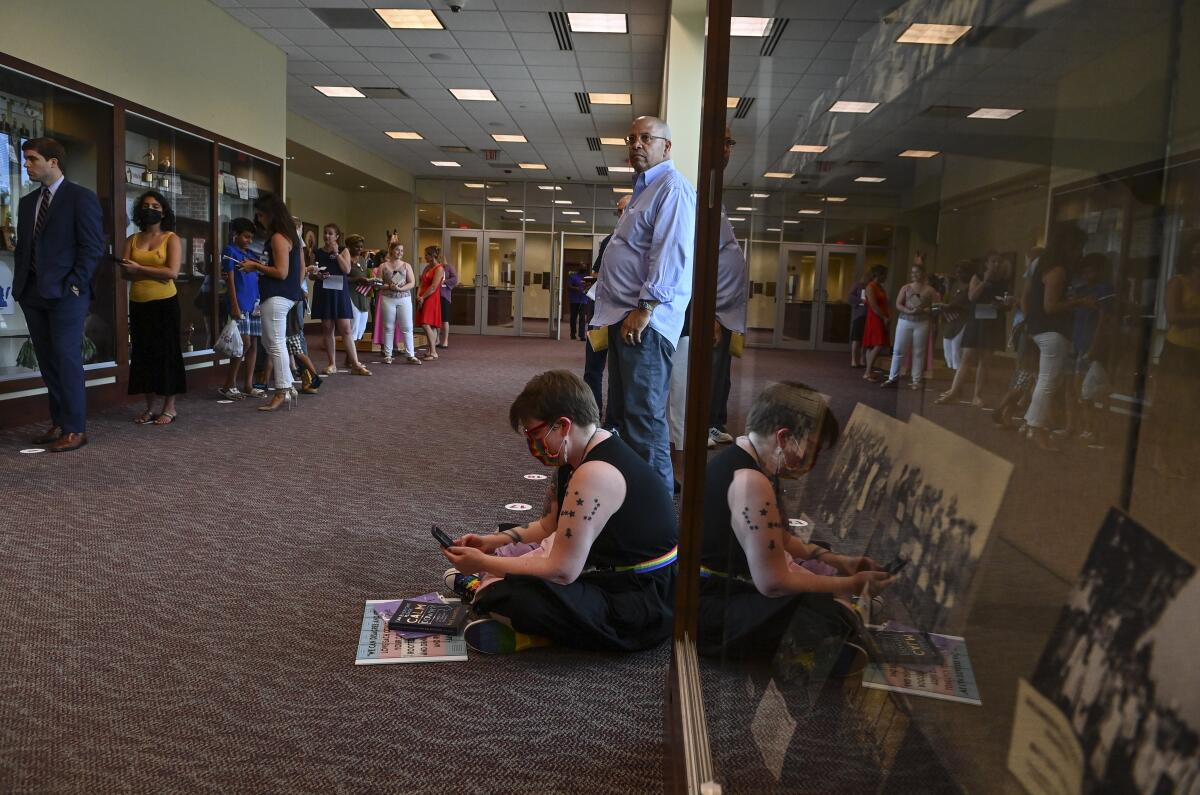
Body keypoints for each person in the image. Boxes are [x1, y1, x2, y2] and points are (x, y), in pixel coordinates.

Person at [441, 370, 678, 654]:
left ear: (563, 425)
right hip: (610, 570)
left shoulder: (594, 474)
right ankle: (493, 593)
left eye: (534, 434)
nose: (532, 444)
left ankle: (518, 618)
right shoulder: (579, 454)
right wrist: (490, 543)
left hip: (638, 600)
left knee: (507, 596)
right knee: (507, 541)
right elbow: (548, 527)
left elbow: (563, 570)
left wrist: (486, 563)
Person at [697, 382, 890, 659]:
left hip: (718, 589)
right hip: (716, 605)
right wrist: (850, 584)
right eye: (810, 449)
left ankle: (842, 607)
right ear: (784, 437)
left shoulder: (751, 459)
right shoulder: (751, 482)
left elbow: (781, 538)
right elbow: (773, 582)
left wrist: (840, 561)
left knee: (819, 568)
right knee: (832, 619)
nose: (812, 461)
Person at [592, 115, 696, 492]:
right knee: (620, 419)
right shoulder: (642, 190)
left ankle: (658, 522)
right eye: (631, 137)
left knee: (645, 421)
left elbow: (670, 253)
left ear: (666, 146)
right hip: (626, 320)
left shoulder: (672, 187)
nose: (636, 144)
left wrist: (646, 307)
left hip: (645, 324)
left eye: (646, 138)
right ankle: (632, 503)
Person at [13, 137, 104, 452]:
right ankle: (60, 423)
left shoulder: (81, 198)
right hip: (32, 292)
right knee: (49, 361)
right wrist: (20, 287)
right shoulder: (27, 203)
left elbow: (92, 247)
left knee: (66, 359)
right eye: (25, 159)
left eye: (32, 159)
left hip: (67, 293)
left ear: (53, 161)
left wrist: (75, 284)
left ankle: (76, 429)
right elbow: (24, 248)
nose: (27, 165)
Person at [119, 190, 186, 424]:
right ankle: (149, 407)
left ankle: (170, 407)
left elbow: (172, 273)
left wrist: (141, 270)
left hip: (165, 304)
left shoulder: (171, 238)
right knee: (143, 354)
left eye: (156, 206)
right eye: (146, 206)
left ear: (164, 211)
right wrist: (151, 273)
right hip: (138, 303)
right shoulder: (132, 239)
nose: (150, 209)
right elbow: (124, 272)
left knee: (166, 354)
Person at [1023, 225, 1092, 451]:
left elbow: (1029, 298)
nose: (1080, 252)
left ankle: (1032, 423)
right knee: (1048, 381)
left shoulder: (1040, 265)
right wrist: (1080, 302)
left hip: (1040, 328)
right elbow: (1051, 306)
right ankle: (1036, 428)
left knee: (1046, 380)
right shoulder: (1058, 270)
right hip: (1053, 330)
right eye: (1078, 247)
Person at [240, 193, 303, 412]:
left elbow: (281, 272)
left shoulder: (278, 237)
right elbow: (296, 270)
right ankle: (286, 388)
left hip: (277, 295)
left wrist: (255, 267)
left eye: (260, 214)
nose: (258, 219)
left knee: (274, 344)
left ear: (270, 214)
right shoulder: (290, 236)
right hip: (283, 295)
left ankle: (282, 390)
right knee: (272, 343)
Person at [708, 125, 750, 449]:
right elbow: (702, 261)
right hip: (716, 312)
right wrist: (711, 314)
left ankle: (715, 421)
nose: (728, 149)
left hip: (727, 312)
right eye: (723, 142)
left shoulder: (714, 192)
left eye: (730, 143)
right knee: (711, 372)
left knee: (723, 374)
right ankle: (706, 424)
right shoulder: (700, 192)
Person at [1153, 231, 1200, 477]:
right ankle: (1161, 455)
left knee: (1192, 408)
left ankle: (1181, 457)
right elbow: (1172, 317)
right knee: (1170, 403)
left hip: (1197, 354)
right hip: (1178, 351)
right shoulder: (1178, 282)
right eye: (1196, 248)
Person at [937, 253, 1010, 407]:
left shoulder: (1004, 280)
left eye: (999, 261)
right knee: (967, 357)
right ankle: (954, 391)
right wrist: (985, 281)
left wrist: (1004, 304)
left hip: (993, 321)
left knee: (985, 360)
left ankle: (977, 395)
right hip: (977, 319)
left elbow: (1006, 303)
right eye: (993, 261)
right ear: (987, 263)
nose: (996, 264)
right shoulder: (977, 277)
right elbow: (972, 297)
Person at [583, 194, 630, 422]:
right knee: (592, 368)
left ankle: (613, 422)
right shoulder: (608, 241)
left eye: (625, 210)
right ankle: (591, 416)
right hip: (600, 313)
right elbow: (596, 273)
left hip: (624, 316)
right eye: (618, 211)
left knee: (618, 374)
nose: (621, 215)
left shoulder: (642, 240)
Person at [311, 223, 369, 376]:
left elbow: (346, 270)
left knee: (346, 328)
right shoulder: (317, 252)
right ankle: (332, 364)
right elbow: (311, 274)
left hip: (339, 291)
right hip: (324, 291)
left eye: (330, 233)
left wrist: (336, 254)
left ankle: (355, 363)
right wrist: (316, 275)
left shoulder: (344, 251)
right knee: (328, 328)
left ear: (337, 236)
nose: (327, 236)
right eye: (325, 233)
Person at [218, 218, 262, 399]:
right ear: (235, 234)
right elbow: (229, 278)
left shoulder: (251, 255)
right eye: (245, 237)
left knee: (253, 345)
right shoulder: (230, 251)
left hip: (254, 304)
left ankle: (249, 385)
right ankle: (229, 384)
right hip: (240, 304)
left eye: (251, 237)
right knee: (242, 344)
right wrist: (234, 305)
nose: (249, 241)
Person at [883, 262, 938, 390]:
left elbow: (936, 307)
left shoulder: (930, 290)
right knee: (898, 350)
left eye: (917, 272)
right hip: (905, 321)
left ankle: (916, 380)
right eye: (912, 272)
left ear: (923, 274)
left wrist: (925, 310)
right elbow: (898, 304)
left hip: (922, 322)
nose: (914, 274)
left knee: (919, 352)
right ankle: (892, 378)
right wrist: (908, 311)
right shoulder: (906, 288)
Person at [373, 239, 420, 364]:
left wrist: (400, 288)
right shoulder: (383, 266)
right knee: (388, 327)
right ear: (391, 251)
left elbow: (412, 283)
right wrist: (389, 286)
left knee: (407, 327)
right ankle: (388, 355)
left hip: (404, 298)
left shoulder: (406, 265)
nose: (400, 252)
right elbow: (378, 284)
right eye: (397, 250)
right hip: (387, 298)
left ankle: (411, 354)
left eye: (402, 250)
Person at [938, 261, 973, 374]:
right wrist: (948, 288)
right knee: (948, 351)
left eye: (961, 272)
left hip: (962, 322)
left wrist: (948, 306)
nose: (958, 274)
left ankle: (957, 383)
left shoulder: (970, 288)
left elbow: (964, 305)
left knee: (956, 352)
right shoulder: (956, 288)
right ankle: (953, 378)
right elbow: (947, 302)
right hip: (951, 323)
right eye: (957, 272)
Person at [415, 245, 445, 360]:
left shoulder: (439, 268)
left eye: (426, 255)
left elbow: (433, 287)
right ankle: (430, 350)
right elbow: (421, 283)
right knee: (429, 325)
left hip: (431, 298)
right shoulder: (427, 268)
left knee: (425, 323)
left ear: (432, 256)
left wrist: (423, 297)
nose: (425, 257)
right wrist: (418, 295)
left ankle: (433, 351)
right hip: (423, 296)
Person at [860, 265, 889, 382]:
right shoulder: (871, 287)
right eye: (884, 275)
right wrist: (883, 317)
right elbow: (873, 305)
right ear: (878, 274)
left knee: (872, 345)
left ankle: (869, 371)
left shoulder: (880, 287)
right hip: (875, 318)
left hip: (881, 316)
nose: (886, 277)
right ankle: (867, 372)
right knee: (878, 344)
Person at [345, 237, 373, 359]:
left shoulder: (362, 259)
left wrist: (371, 280)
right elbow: (343, 279)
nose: (360, 249)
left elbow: (364, 274)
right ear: (349, 246)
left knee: (362, 327)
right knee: (354, 325)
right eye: (357, 246)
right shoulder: (346, 259)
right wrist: (358, 279)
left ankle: (351, 357)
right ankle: (351, 358)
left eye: (361, 247)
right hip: (351, 294)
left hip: (363, 294)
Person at [438, 257, 458, 349]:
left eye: (442, 258)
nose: (440, 259)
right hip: (434, 296)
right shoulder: (434, 267)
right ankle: (437, 339)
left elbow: (455, 279)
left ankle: (445, 340)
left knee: (444, 319)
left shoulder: (449, 267)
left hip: (445, 296)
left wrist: (445, 281)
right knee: (436, 319)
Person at [848, 277, 867, 368]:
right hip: (859, 315)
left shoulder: (872, 287)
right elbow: (850, 297)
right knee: (856, 338)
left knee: (865, 338)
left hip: (868, 315)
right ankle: (854, 359)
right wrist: (860, 300)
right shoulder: (858, 285)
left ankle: (862, 359)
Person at [567, 264, 588, 340]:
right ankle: (573, 334)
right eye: (582, 266)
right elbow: (569, 286)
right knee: (573, 317)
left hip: (584, 300)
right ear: (578, 268)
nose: (583, 268)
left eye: (584, 267)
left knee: (582, 318)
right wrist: (577, 288)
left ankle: (582, 335)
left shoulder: (588, 277)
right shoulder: (573, 276)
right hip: (574, 300)